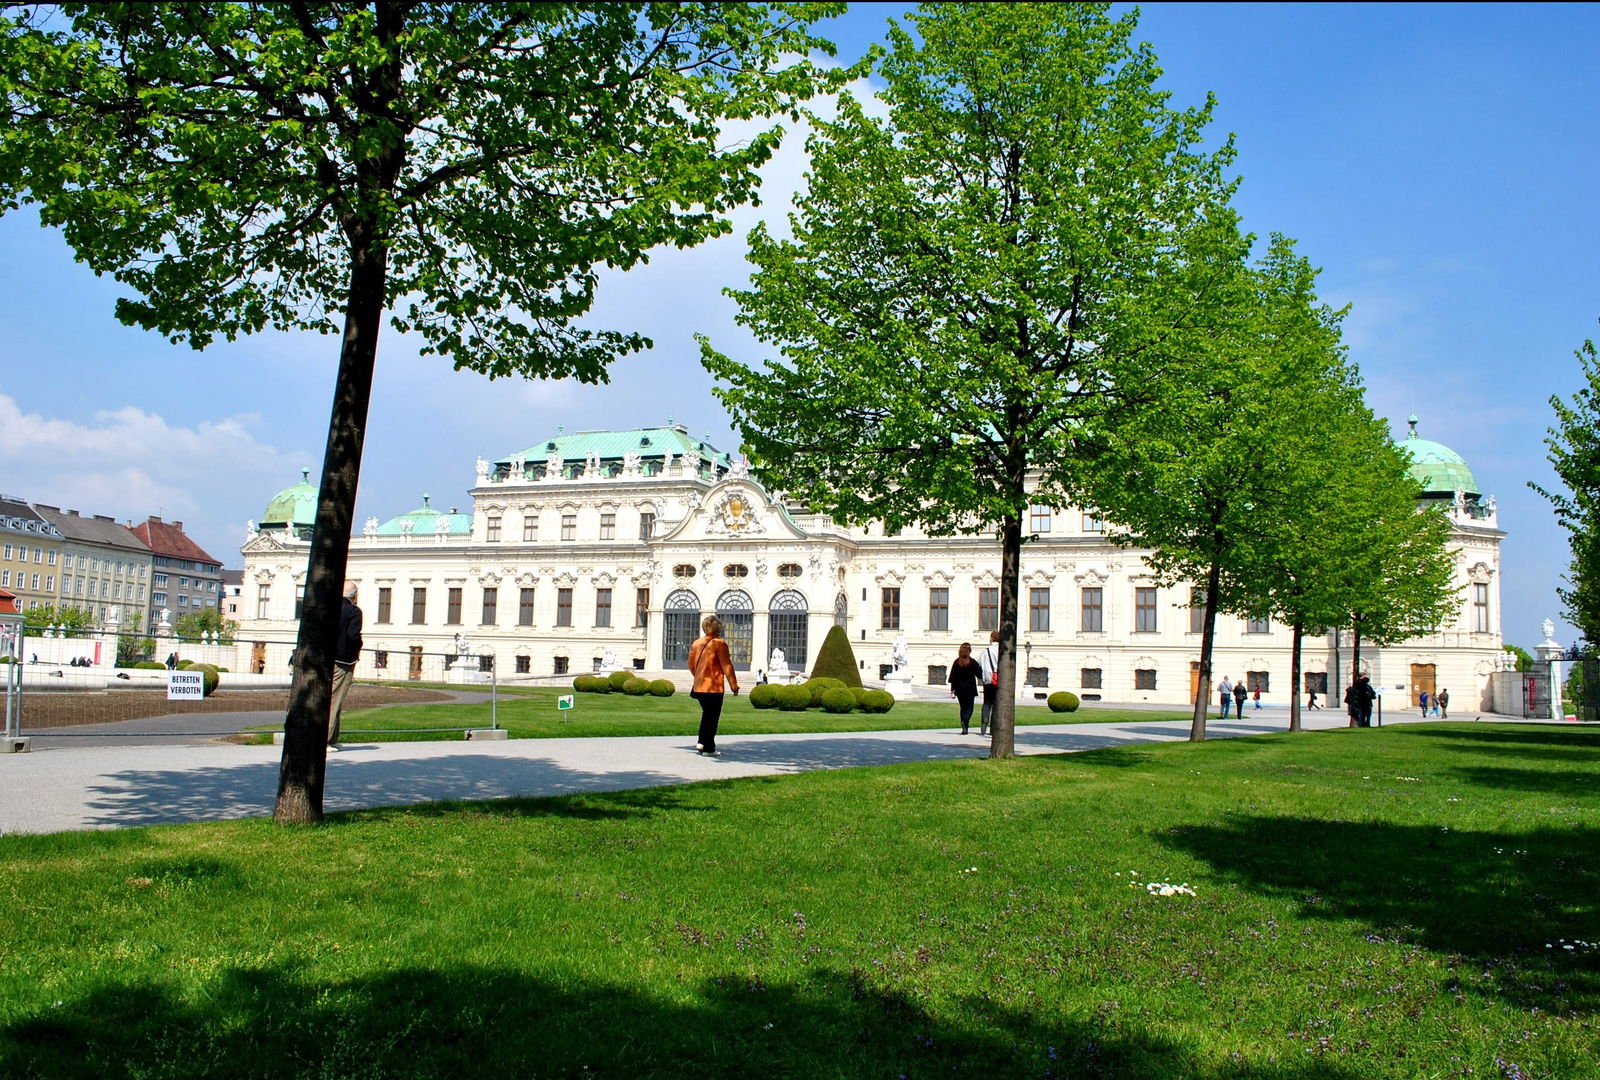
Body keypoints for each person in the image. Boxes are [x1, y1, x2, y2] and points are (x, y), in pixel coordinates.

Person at [688, 613, 739, 755]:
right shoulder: (720, 644)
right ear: (718, 629)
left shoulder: (696, 643)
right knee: (712, 716)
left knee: (707, 714)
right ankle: (707, 745)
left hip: (699, 686)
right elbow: (727, 666)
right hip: (714, 687)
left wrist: (699, 676)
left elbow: (692, 665)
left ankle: (703, 743)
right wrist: (734, 685)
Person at [327, 581, 363, 751]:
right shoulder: (353, 611)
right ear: (354, 595)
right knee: (335, 700)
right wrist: (357, 647)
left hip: (328, 657)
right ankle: (326, 739)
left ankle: (333, 738)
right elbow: (353, 635)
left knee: (333, 698)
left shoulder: (329, 608)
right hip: (344, 660)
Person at [948, 642, 983, 735]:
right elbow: (979, 673)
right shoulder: (972, 662)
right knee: (970, 707)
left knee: (962, 707)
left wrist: (953, 689)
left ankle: (964, 726)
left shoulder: (957, 662)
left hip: (959, 688)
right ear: (969, 651)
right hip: (970, 687)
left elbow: (953, 677)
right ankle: (966, 721)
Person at [976, 630, 1000, 736]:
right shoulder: (1001, 650)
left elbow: (979, 664)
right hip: (999, 680)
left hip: (988, 680)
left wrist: (983, 675)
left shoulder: (986, 651)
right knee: (997, 704)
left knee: (987, 703)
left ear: (991, 638)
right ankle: (993, 729)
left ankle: (984, 722)